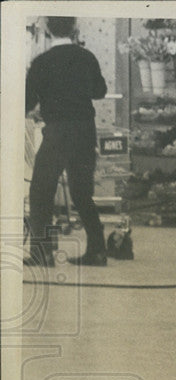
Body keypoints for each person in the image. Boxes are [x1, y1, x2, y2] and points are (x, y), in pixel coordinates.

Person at [25, 16, 108, 267]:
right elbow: (99, 91)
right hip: (84, 131)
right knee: (83, 193)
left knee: (41, 192)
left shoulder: (40, 62)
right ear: (75, 29)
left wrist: (38, 110)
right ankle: (97, 251)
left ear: (47, 30)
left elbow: (27, 103)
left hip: (57, 133)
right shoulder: (87, 57)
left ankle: (43, 253)